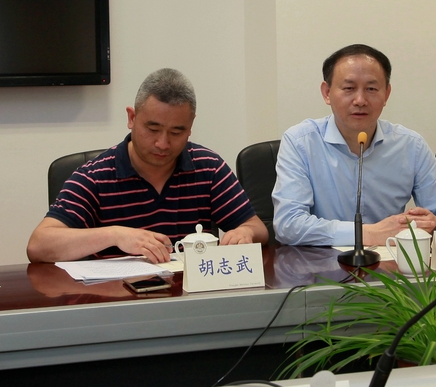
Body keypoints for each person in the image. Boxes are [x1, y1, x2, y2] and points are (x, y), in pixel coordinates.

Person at [27, 68, 268, 264]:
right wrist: (115, 234)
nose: (163, 143)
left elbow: (257, 228)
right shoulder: (95, 176)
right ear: (132, 118)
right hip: (120, 301)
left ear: (190, 126)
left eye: (176, 132)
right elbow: (39, 245)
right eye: (152, 129)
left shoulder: (208, 167)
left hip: (190, 298)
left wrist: (245, 233)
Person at [272, 44, 436, 246]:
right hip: (320, 262)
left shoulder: (410, 145)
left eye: (371, 89)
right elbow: (288, 225)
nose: (360, 100)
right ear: (327, 93)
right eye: (349, 88)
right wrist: (369, 233)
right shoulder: (300, 142)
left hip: (390, 262)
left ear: (386, 94)